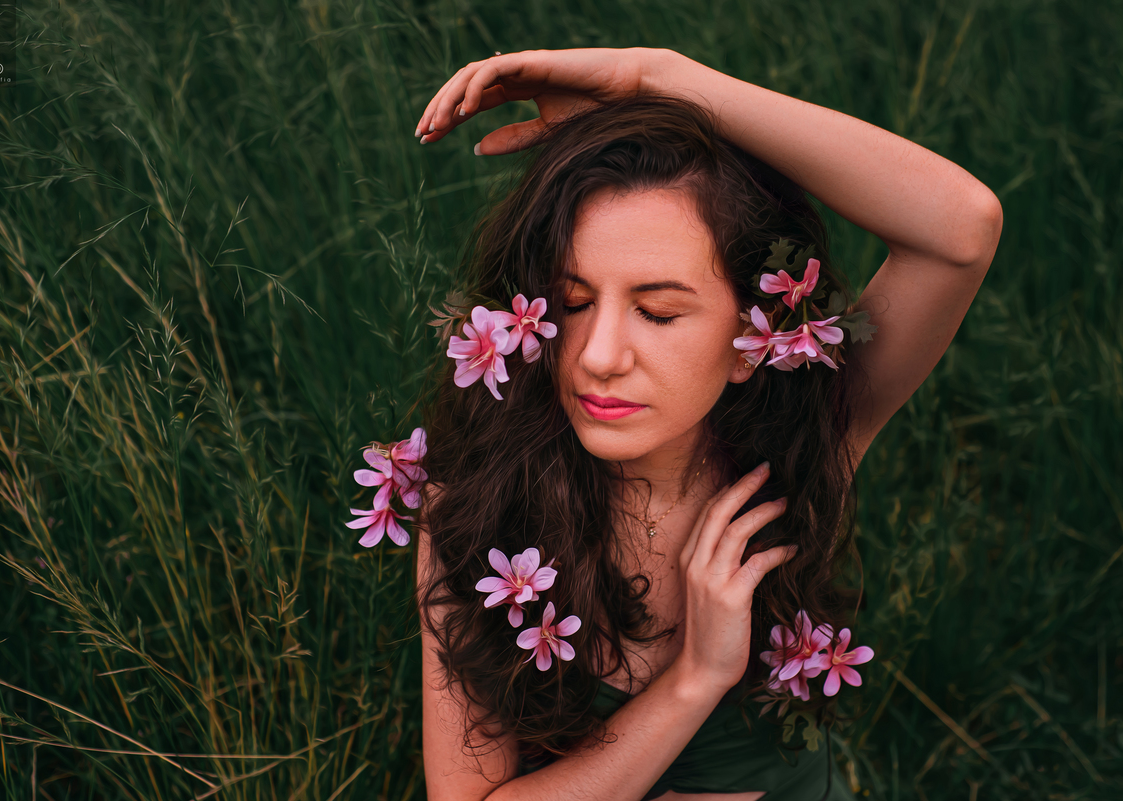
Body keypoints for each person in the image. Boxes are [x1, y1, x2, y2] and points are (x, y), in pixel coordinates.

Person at [409, 47, 1002, 801]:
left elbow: (960, 226)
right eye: (574, 300)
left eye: (658, 311)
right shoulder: (474, 510)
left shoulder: (804, 447)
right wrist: (695, 680)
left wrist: (660, 79)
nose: (598, 356)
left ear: (754, 340)